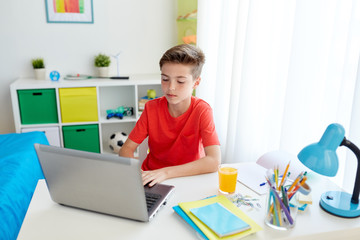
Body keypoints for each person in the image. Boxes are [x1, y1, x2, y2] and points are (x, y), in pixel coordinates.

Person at [119, 44, 221, 186]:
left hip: (188, 179)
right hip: (153, 180)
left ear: (196, 82)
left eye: (180, 81)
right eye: (165, 79)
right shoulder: (151, 108)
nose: (171, 87)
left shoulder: (202, 110)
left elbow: (214, 161)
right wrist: (137, 174)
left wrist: (165, 173)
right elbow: (126, 149)